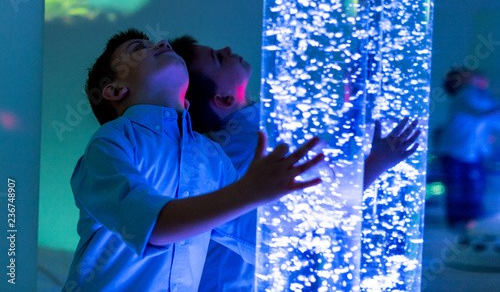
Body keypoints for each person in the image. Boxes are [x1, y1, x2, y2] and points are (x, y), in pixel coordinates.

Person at [62, 28, 326, 291]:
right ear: (115, 90)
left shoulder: (211, 156)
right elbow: (153, 227)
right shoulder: (111, 142)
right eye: (138, 48)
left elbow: (256, 238)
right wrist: (249, 191)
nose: (162, 42)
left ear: (187, 102)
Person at [171, 35, 421, 291]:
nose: (226, 47)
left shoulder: (243, 136)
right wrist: (378, 162)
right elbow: (306, 217)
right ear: (223, 99)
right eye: (218, 58)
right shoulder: (245, 148)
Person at [438, 66, 500, 229]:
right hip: (456, 151)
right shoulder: (464, 96)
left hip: (470, 152)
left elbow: (492, 117)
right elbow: (483, 114)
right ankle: (461, 221)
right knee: (460, 187)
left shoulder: (478, 96)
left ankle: (468, 221)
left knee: (470, 185)